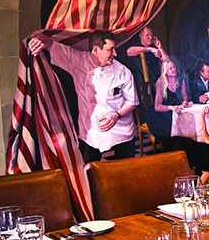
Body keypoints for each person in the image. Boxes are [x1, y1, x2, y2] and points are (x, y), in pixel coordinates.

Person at [27, 30, 138, 163]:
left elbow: (132, 101)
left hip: (121, 133)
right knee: (89, 171)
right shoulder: (78, 61)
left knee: (124, 171)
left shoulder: (123, 72)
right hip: (90, 133)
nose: (115, 54)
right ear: (96, 50)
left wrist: (116, 115)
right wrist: (39, 38)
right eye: (111, 49)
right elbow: (51, 44)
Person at [150, 60, 209, 183]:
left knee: (184, 156)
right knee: (182, 154)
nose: (174, 69)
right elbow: (203, 131)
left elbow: (203, 131)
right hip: (164, 117)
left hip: (187, 146)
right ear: (165, 71)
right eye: (170, 68)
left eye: (174, 67)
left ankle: (175, 178)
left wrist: (199, 111)